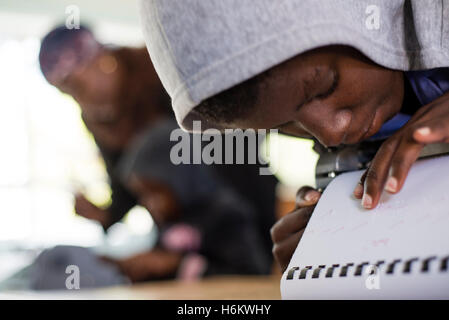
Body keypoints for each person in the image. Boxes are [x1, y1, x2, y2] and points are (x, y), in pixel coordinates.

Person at [138, 0, 449, 270]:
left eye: (327, 86)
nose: (332, 133)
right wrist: (346, 254)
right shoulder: (352, 144)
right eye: (285, 125)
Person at [39, 25, 172, 231]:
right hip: (182, 232)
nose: (78, 98)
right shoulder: (95, 118)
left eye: (77, 86)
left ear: (103, 61)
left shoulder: (157, 65)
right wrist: (105, 215)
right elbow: (123, 183)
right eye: (67, 92)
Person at [111, 119, 272, 282]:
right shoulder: (171, 220)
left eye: (155, 193)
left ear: (181, 178)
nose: (147, 204)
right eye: (142, 196)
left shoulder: (226, 215)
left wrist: (179, 264)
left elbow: (252, 275)